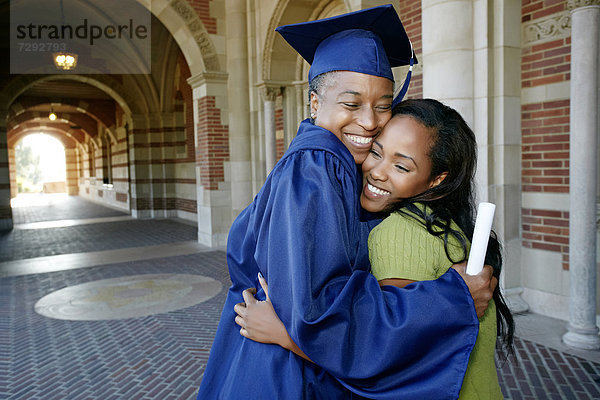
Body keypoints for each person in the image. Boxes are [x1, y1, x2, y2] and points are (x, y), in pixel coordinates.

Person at [197, 6, 496, 399]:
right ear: (315, 103)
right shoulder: (317, 164)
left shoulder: (335, 163)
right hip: (286, 374)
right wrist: (450, 301)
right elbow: (321, 315)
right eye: (352, 105)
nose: (370, 122)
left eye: (384, 104)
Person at [235, 99, 516, 399]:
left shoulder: (398, 233)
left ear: (437, 179)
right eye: (376, 152)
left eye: (401, 166)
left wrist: (285, 335)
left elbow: (393, 356)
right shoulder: (448, 226)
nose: (377, 172)